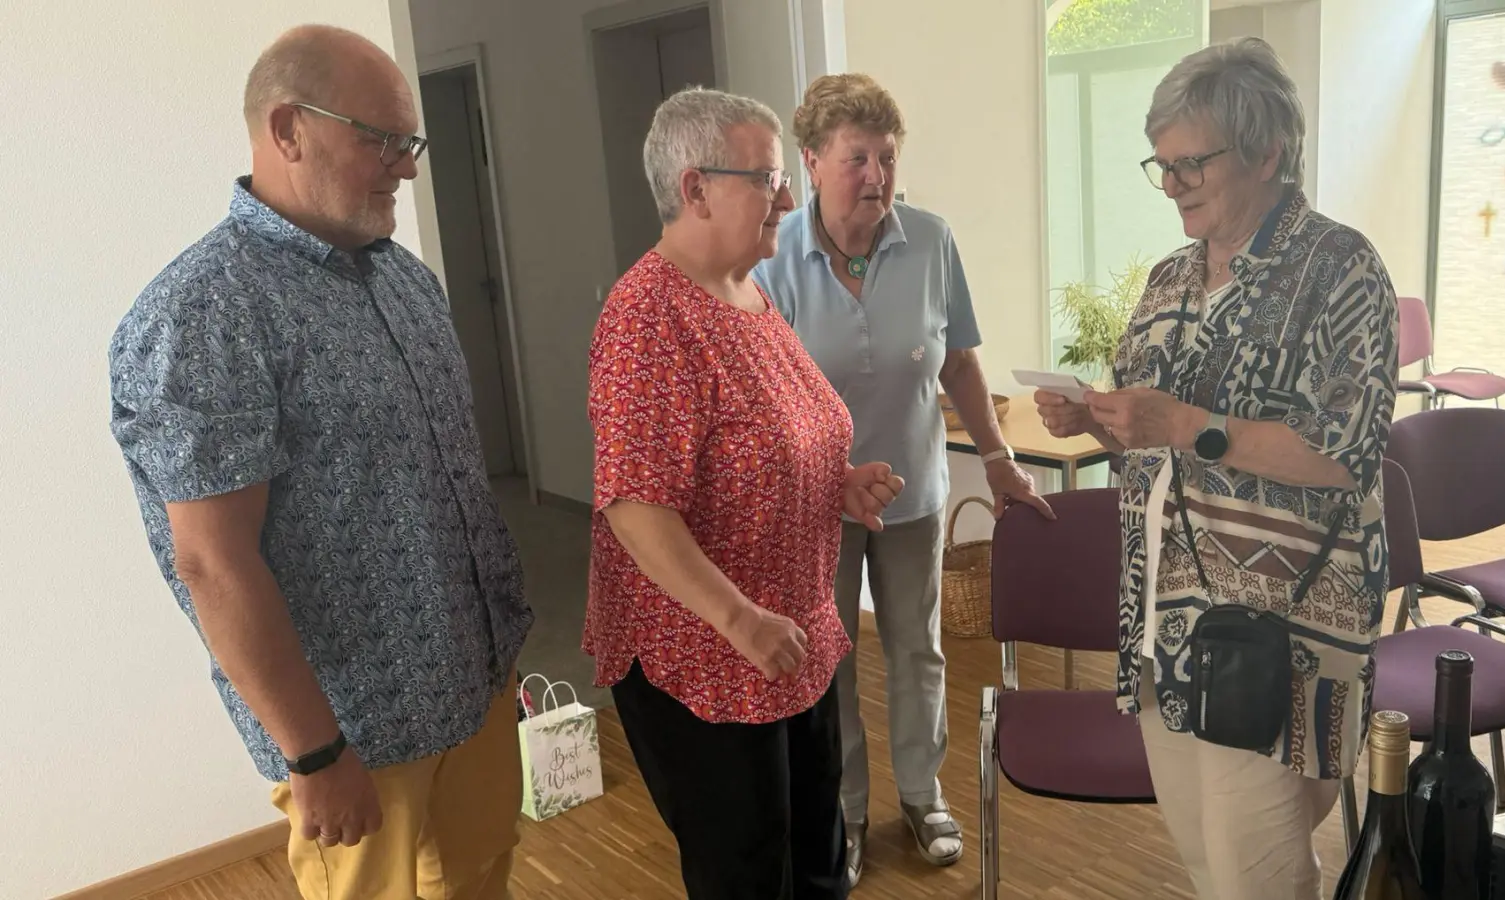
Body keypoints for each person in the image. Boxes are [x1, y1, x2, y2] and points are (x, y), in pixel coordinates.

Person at [108, 25, 532, 900]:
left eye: (408, 142)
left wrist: (502, 658)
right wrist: (314, 752)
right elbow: (211, 561)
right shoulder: (204, 312)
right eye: (380, 139)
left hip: (475, 689)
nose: (406, 167)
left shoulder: (403, 281)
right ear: (288, 129)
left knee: (485, 879)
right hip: (362, 736)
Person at [1035, 38, 1397, 900]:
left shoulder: (1340, 269)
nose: (1172, 185)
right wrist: (1102, 422)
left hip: (1282, 629)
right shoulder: (1168, 279)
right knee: (1210, 865)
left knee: (1258, 881)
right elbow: (1156, 433)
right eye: (1160, 166)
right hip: (1165, 618)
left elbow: (1345, 454)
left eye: (1191, 163)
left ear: (1267, 150)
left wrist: (1190, 425)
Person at [583, 86, 905, 900]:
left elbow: (759, 443)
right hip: (712, 656)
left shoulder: (747, 293)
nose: (789, 198)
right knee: (749, 875)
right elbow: (635, 504)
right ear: (695, 189)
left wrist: (836, 484)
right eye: (767, 178)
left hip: (789, 640)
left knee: (817, 861)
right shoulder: (647, 317)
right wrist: (738, 619)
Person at [754, 72, 1050, 887]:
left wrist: (996, 457)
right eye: (857, 158)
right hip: (816, 506)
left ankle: (923, 797)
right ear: (811, 161)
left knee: (918, 650)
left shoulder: (928, 240)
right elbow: (762, 389)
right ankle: (844, 810)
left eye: (886, 157)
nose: (876, 175)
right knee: (833, 657)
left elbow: (958, 359)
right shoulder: (773, 258)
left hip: (915, 495)